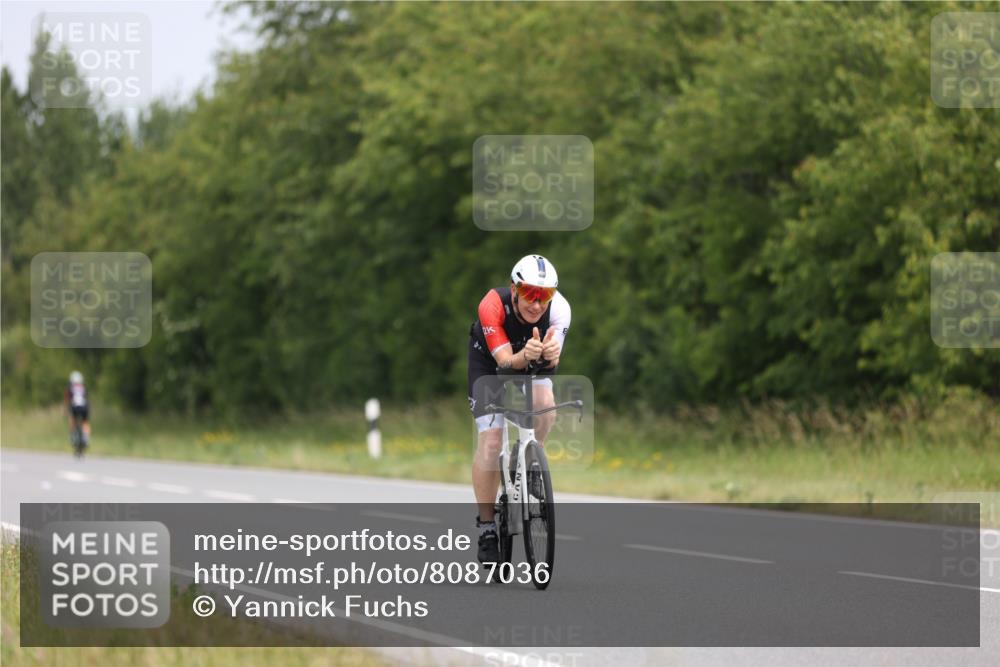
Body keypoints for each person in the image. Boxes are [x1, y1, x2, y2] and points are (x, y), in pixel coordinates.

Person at [468, 255, 571, 564]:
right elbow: (505, 363)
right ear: (514, 289)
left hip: (532, 355)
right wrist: (523, 354)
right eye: (530, 293)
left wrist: (550, 354)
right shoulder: (492, 305)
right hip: (491, 363)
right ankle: (487, 527)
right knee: (491, 440)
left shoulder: (561, 310)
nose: (537, 304)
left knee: (545, 405)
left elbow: (552, 361)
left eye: (545, 296)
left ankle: (532, 457)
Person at [65, 371, 90, 450]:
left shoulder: (70, 387)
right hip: (84, 406)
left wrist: (66, 409)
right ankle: (86, 437)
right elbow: (86, 398)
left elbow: (67, 399)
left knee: (72, 419)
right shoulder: (83, 387)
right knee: (85, 422)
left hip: (74, 407)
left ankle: (73, 435)